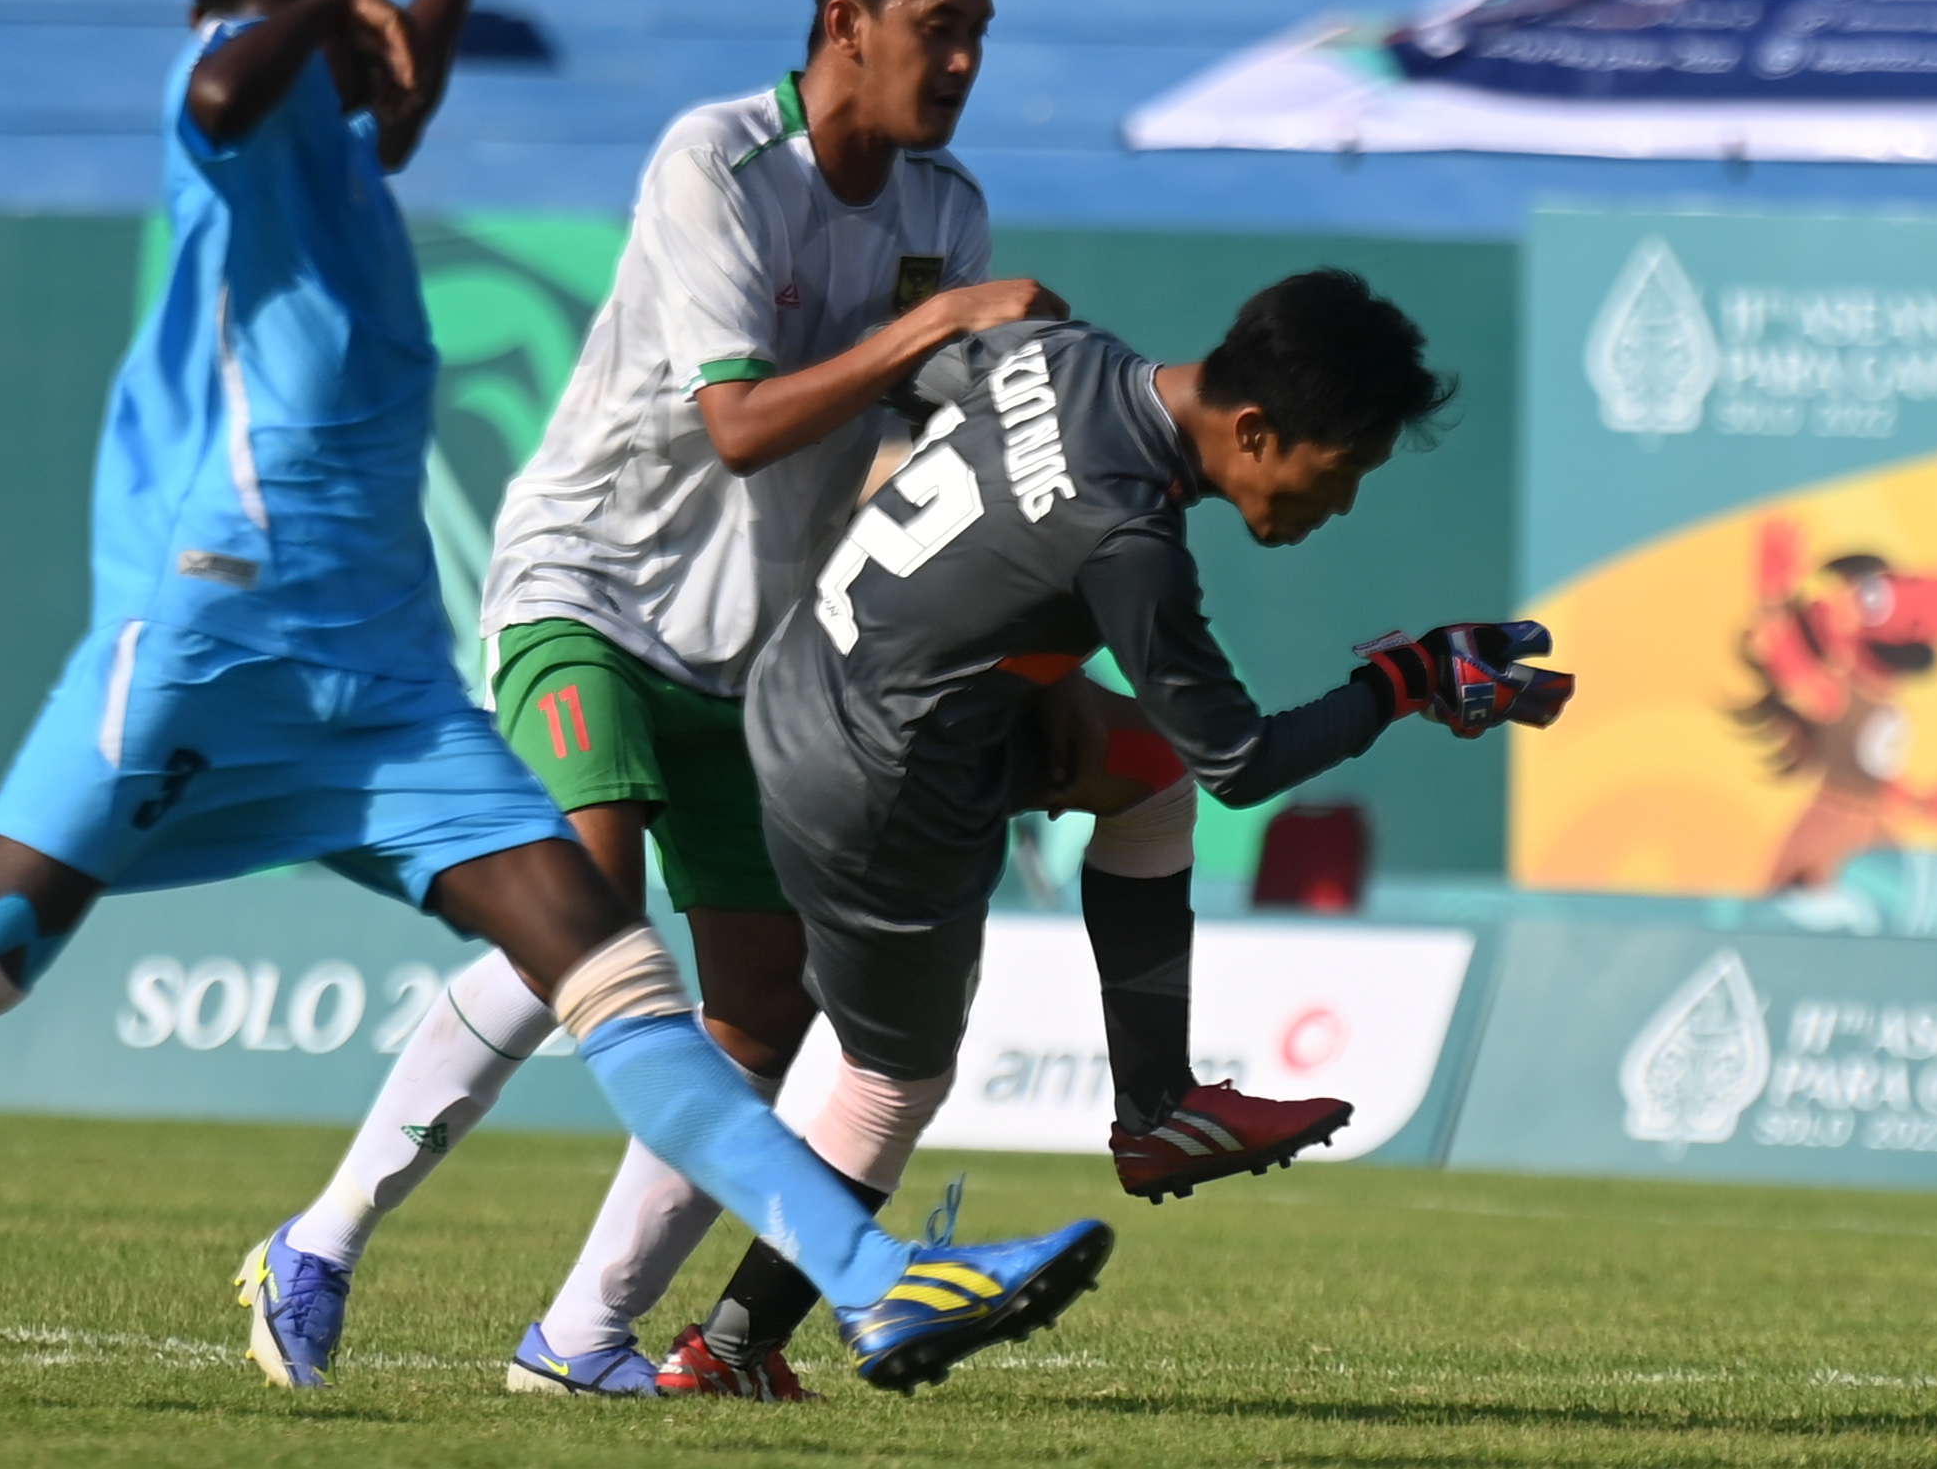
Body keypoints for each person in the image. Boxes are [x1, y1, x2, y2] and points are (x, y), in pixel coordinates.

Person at [0, 0, 1111, 1400]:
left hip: (379, 666)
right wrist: (321, 1)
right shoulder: (230, 89)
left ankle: (864, 1284)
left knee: (606, 963)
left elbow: (399, 99)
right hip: (211, 635)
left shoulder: (335, 130)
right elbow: (225, 90)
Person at [269, 0, 1072, 1401]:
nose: (961, 61)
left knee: (766, 1005)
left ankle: (581, 1338)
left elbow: (917, 446)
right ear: (845, 24)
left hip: (749, 648)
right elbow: (742, 423)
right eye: (936, 28)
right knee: (588, 912)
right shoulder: (717, 161)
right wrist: (935, 329)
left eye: (977, 35)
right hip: (590, 587)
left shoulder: (944, 210)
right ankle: (318, 1239)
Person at [664, 273, 1575, 1382]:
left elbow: (917, 370)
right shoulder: (1129, 538)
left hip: (815, 683)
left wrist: (1011, 625)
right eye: (1338, 475)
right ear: (1253, 429)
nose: (1339, 507)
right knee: (892, 1085)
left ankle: (1157, 1110)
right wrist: (1407, 678)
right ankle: (728, 1349)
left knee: (1147, 781)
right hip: (879, 776)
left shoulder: (1062, 357)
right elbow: (1243, 763)